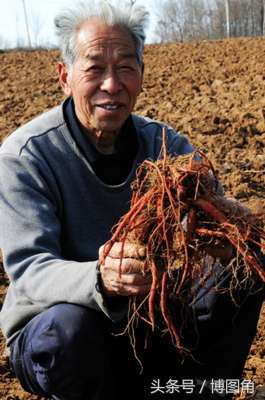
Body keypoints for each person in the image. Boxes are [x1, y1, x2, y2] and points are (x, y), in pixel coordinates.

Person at [0, 1, 263, 399]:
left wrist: (229, 233)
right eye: (95, 68)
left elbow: (213, 212)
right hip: (59, 328)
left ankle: (195, 392)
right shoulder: (26, 157)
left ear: (141, 74)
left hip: (148, 318)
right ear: (65, 76)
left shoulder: (166, 146)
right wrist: (100, 278)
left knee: (247, 262)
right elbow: (31, 269)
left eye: (125, 66)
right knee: (69, 330)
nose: (112, 84)